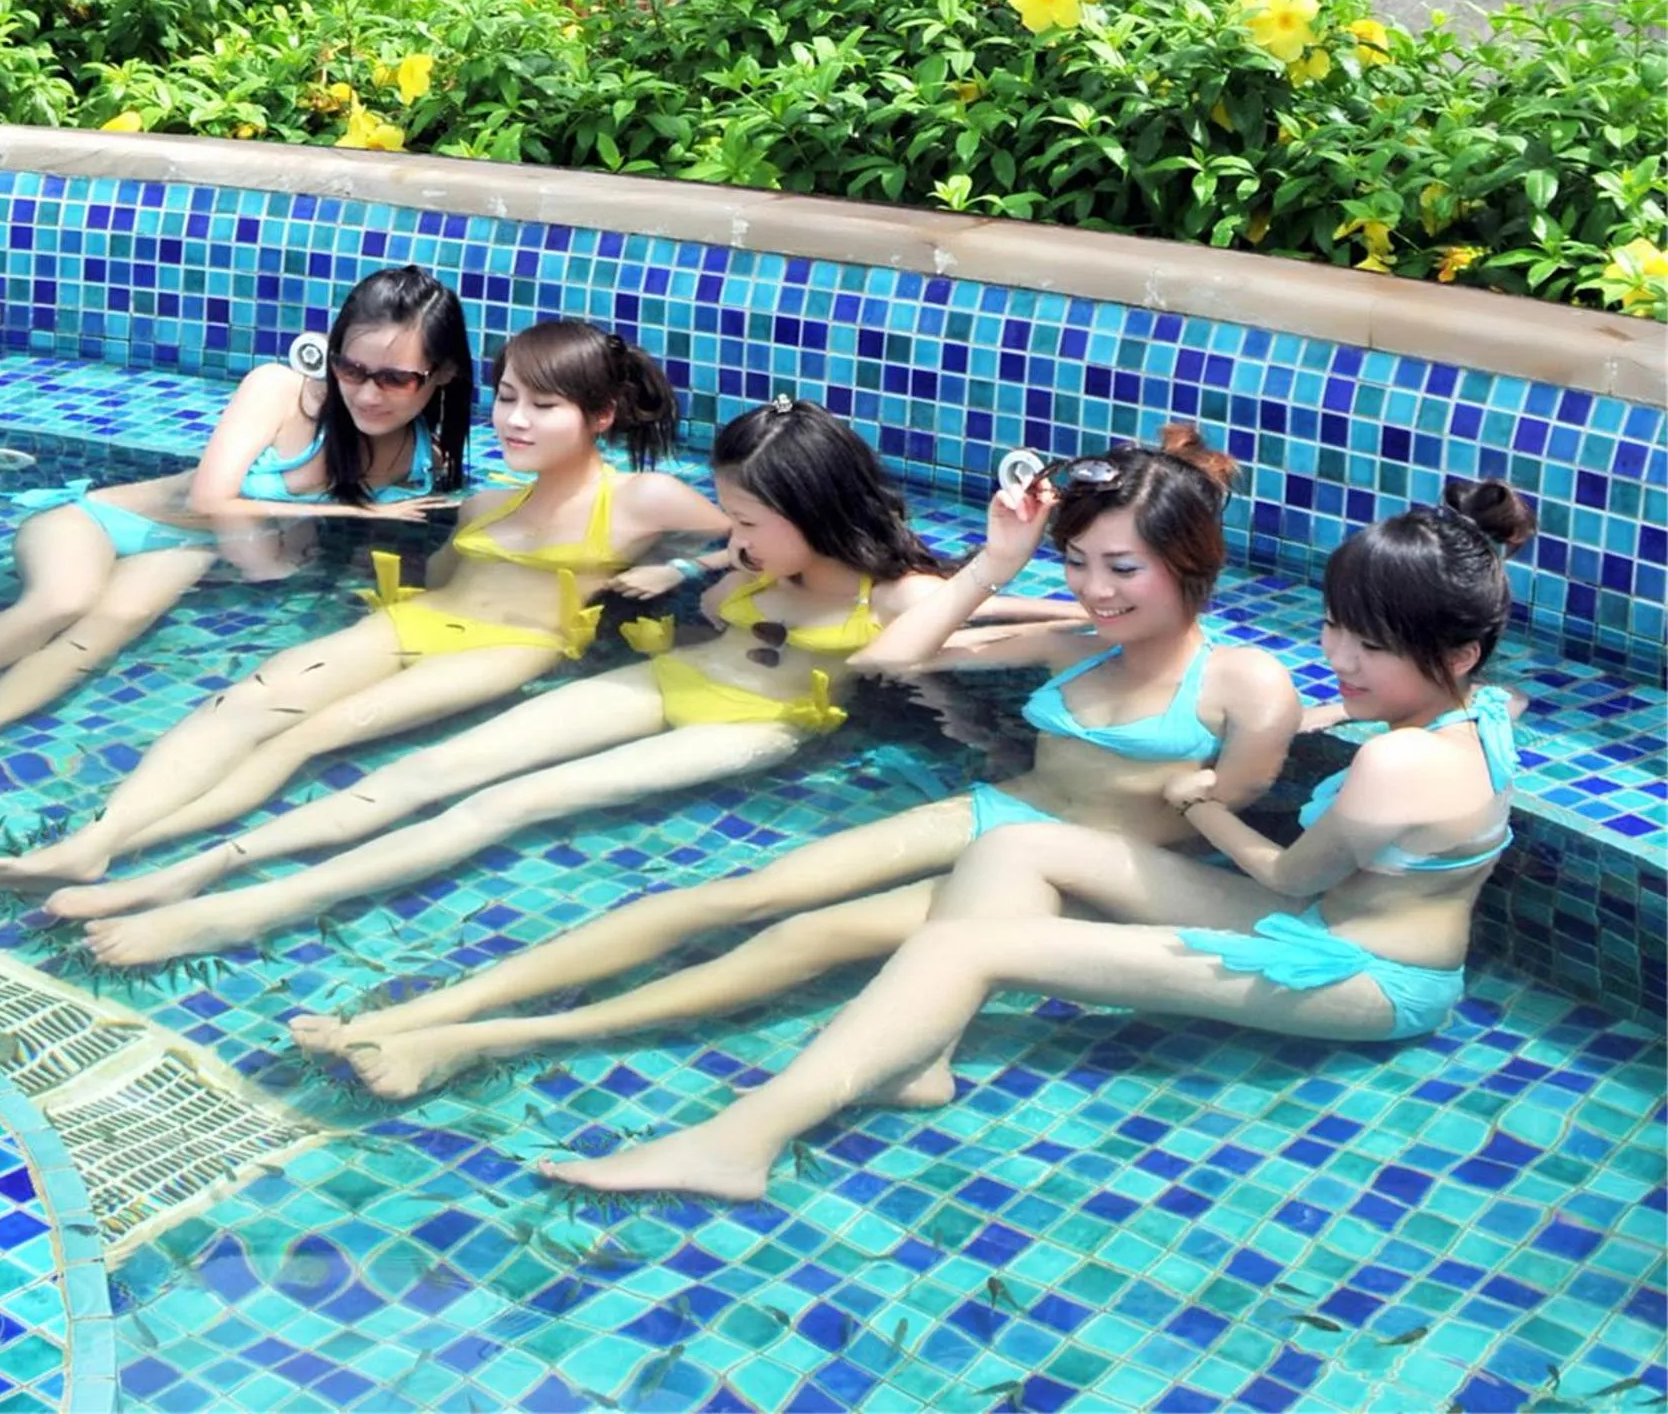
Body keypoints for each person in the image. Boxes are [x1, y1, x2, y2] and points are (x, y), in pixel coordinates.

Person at [543, 480, 1537, 1199]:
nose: (1338, 660)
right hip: (1328, 922)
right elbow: (1471, 716)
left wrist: (1201, 804)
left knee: (965, 940)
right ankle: (920, 1052)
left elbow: (1282, 869)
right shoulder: (1479, 709)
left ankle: (739, 1142)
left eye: (1370, 648)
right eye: (1335, 630)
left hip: (1357, 975)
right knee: (1017, 847)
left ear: (1451, 650)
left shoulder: (1395, 765)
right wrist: (1343, 715)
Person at [293, 427, 1301, 1098]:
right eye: (1075, 564)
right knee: (733, 894)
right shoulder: (1077, 642)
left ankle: (480, 1043)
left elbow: (1239, 807)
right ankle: (432, 1007)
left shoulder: (1247, 685)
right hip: (1002, 813)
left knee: (802, 937)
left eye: (1119, 567)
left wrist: (1204, 796)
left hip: (1081, 873)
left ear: (1191, 562)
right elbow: (891, 657)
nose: (1093, 590)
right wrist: (998, 564)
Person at [34, 399, 1082, 967]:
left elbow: (982, 628)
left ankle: (242, 914)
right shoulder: (754, 556)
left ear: (813, 511)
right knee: (431, 771)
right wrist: (694, 564)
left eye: (748, 521)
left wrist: (1026, 581)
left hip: (758, 721)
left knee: (510, 801)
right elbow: (729, 559)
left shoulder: (898, 594)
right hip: (677, 677)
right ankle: (188, 867)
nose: (735, 535)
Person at [0, 318, 730, 886]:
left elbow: (767, 538)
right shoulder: (489, 503)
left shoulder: (646, 499)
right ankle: (92, 841)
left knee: (314, 732)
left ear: (601, 416)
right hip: (416, 620)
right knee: (243, 702)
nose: (515, 419)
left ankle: (126, 846)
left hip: (511, 646)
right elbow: (437, 579)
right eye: (509, 396)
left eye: (543, 406)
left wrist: (680, 575)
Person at [0, 265, 476, 807]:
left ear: (441, 375)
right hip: (96, 523)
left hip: (186, 554)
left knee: (108, 627)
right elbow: (216, 499)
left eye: (395, 378)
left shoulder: (424, 463)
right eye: (351, 368)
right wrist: (354, 519)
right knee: (62, 604)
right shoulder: (278, 390)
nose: (366, 391)